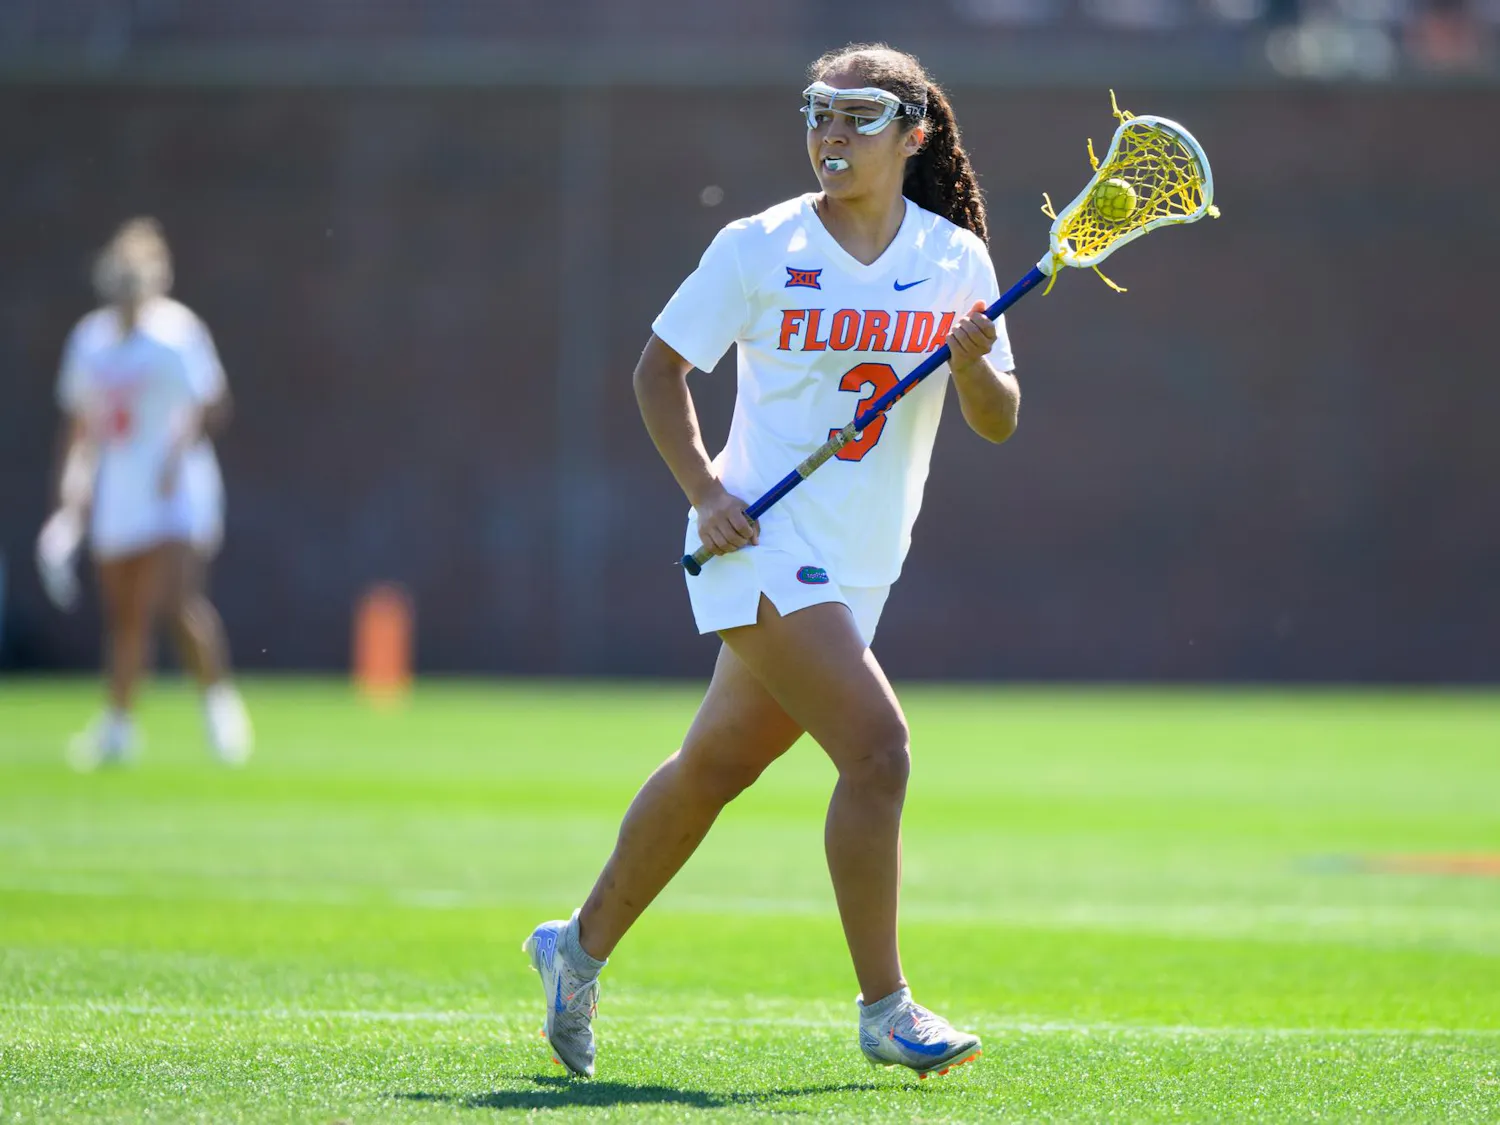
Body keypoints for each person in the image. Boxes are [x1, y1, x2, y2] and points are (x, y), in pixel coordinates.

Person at [524, 42, 1020, 1079]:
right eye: (818, 116)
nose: (830, 136)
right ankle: (886, 1006)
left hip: (860, 565)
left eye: (857, 119)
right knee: (879, 750)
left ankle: (575, 949)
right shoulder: (758, 246)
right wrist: (705, 490)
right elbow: (659, 370)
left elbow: (999, 422)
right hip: (756, 542)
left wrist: (974, 367)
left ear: (913, 135)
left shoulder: (957, 259)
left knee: (714, 769)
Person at [43, 217, 252, 769]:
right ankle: (118, 725)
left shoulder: (177, 333)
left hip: (177, 486)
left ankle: (218, 706)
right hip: (122, 488)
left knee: (174, 601)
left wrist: (173, 454)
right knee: (126, 614)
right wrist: (69, 502)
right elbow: (80, 425)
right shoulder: (89, 341)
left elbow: (210, 402)